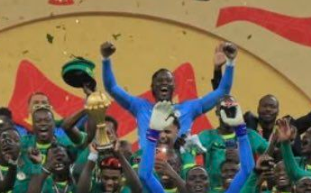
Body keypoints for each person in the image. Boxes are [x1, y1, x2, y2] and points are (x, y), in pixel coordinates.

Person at [101, 40, 237, 137]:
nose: (164, 83)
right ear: (152, 88)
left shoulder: (189, 108)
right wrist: (105, 59)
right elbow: (111, 87)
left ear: (174, 87)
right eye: (159, 81)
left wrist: (230, 63)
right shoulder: (140, 107)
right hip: (149, 165)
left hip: (178, 166)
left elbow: (222, 91)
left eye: (168, 81)